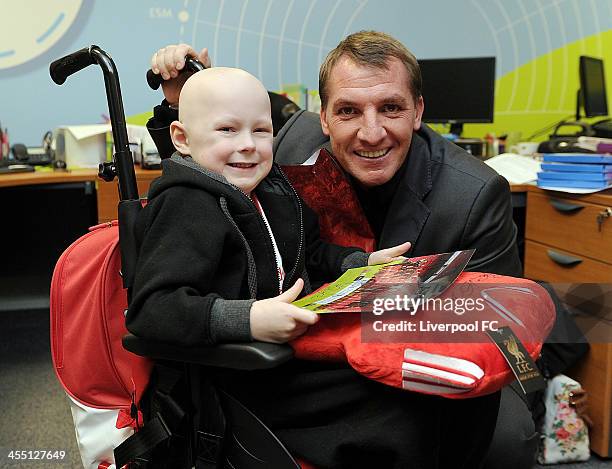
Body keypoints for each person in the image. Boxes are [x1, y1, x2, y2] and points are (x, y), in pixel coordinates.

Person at [146, 32, 528, 469]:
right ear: (323, 117)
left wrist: (383, 293)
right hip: (285, 356)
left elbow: (502, 327)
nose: (371, 132)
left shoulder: (474, 193)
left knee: (501, 432)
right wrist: (182, 101)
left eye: (391, 108)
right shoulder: (283, 150)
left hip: (419, 343)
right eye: (348, 111)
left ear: (418, 111)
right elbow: (199, 192)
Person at [128, 67, 410, 346]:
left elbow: (309, 252)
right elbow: (153, 308)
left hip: (289, 348)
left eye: (261, 130)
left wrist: (362, 264)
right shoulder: (185, 203)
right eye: (228, 130)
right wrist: (248, 320)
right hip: (230, 376)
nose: (249, 144)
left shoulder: (272, 190)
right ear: (182, 139)